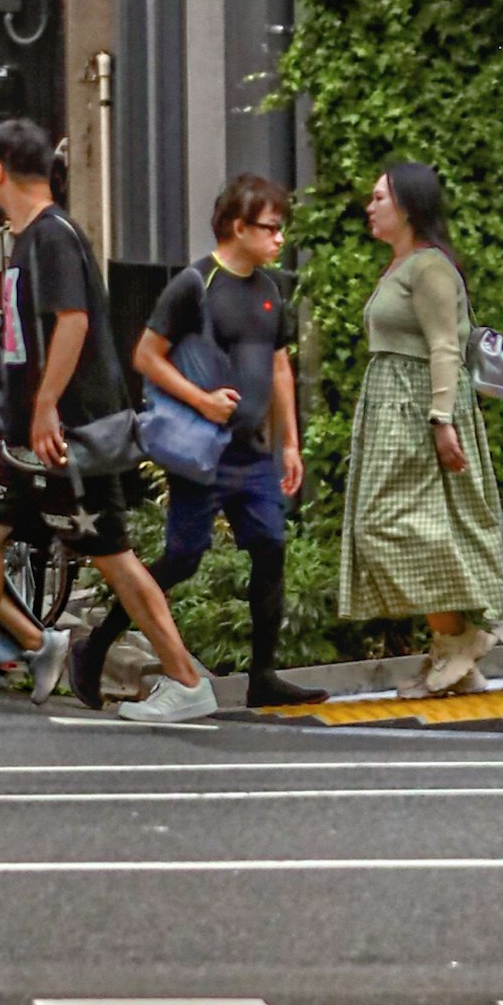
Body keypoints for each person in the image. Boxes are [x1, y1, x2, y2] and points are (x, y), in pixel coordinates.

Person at [0, 119, 219, 725]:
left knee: (112, 556)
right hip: (33, 439)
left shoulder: (53, 236)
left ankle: (186, 680)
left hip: (66, 436)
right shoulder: (31, 238)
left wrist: (45, 404)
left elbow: (74, 321)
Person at [134, 173, 319, 710]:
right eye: (271, 228)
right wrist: (200, 399)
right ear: (239, 227)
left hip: (253, 451)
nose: (280, 238)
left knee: (271, 547)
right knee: (183, 557)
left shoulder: (269, 288)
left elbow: (279, 365)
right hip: (203, 450)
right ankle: (96, 644)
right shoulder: (194, 284)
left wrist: (290, 443)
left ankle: (264, 674)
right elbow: (146, 355)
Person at [336, 153, 503, 695]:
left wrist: (440, 419)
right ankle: (455, 655)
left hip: (417, 408)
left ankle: (459, 641)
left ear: (408, 207)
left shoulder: (430, 267)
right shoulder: (402, 265)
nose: (370, 207)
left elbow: (443, 346)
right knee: (404, 523)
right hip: (393, 407)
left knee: (389, 524)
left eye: (379, 197)